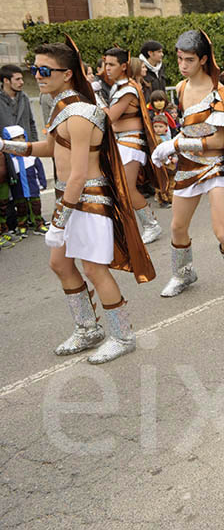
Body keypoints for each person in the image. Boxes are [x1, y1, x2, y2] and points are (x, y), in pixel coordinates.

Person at [0, 37, 154, 363]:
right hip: (70, 201)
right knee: (60, 263)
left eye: (44, 70)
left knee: (95, 269)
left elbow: (79, 173)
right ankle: (87, 328)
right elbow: (51, 149)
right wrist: (6, 145)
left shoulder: (81, 113)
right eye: (34, 69)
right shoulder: (63, 109)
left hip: (88, 200)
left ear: (66, 74)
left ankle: (123, 335)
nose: (37, 76)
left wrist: (58, 221)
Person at [150, 30, 224, 300]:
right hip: (189, 164)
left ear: (202, 60)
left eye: (189, 60)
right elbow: (189, 128)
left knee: (221, 231)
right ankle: (183, 273)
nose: (183, 65)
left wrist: (175, 145)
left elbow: (219, 141)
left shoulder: (218, 92)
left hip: (216, 166)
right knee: (177, 227)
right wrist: (173, 145)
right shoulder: (181, 87)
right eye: (179, 59)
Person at [102, 47, 168, 244]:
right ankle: (131, 227)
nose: (107, 68)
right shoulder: (119, 87)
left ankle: (151, 225)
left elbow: (109, 117)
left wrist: (94, 100)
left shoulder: (128, 89)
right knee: (119, 188)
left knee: (127, 189)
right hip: (120, 141)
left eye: (111, 64)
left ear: (123, 66)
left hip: (130, 143)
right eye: (105, 64)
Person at [1, 124, 47, 235]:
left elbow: (40, 170)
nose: (20, 140)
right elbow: (9, 175)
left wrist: (42, 183)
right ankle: (22, 225)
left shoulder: (32, 156)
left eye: (22, 137)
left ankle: (39, 224)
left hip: (33, 188)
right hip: (18, 190)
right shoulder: (10, 160)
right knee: (21, 208)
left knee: (36, 207)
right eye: (16, 138)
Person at [0, 65, 39, 142]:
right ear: (6, 80)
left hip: (27, 148)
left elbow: (31, 123)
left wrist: (34, 144)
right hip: (6, 149)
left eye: (21, 78)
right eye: (17, 79)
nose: (21, 82)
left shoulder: (24, 98)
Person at [150, 113, 175, 207]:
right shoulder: (156, 139)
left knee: (171, 182)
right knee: (162, 182)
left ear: (166, 127)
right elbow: (159, 153)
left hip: (170, 164)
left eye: (160, 126)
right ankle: (163, 200)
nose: (158, 129)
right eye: (155, 126)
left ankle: (170, 198)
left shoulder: (167, 137)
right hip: (161, 163)